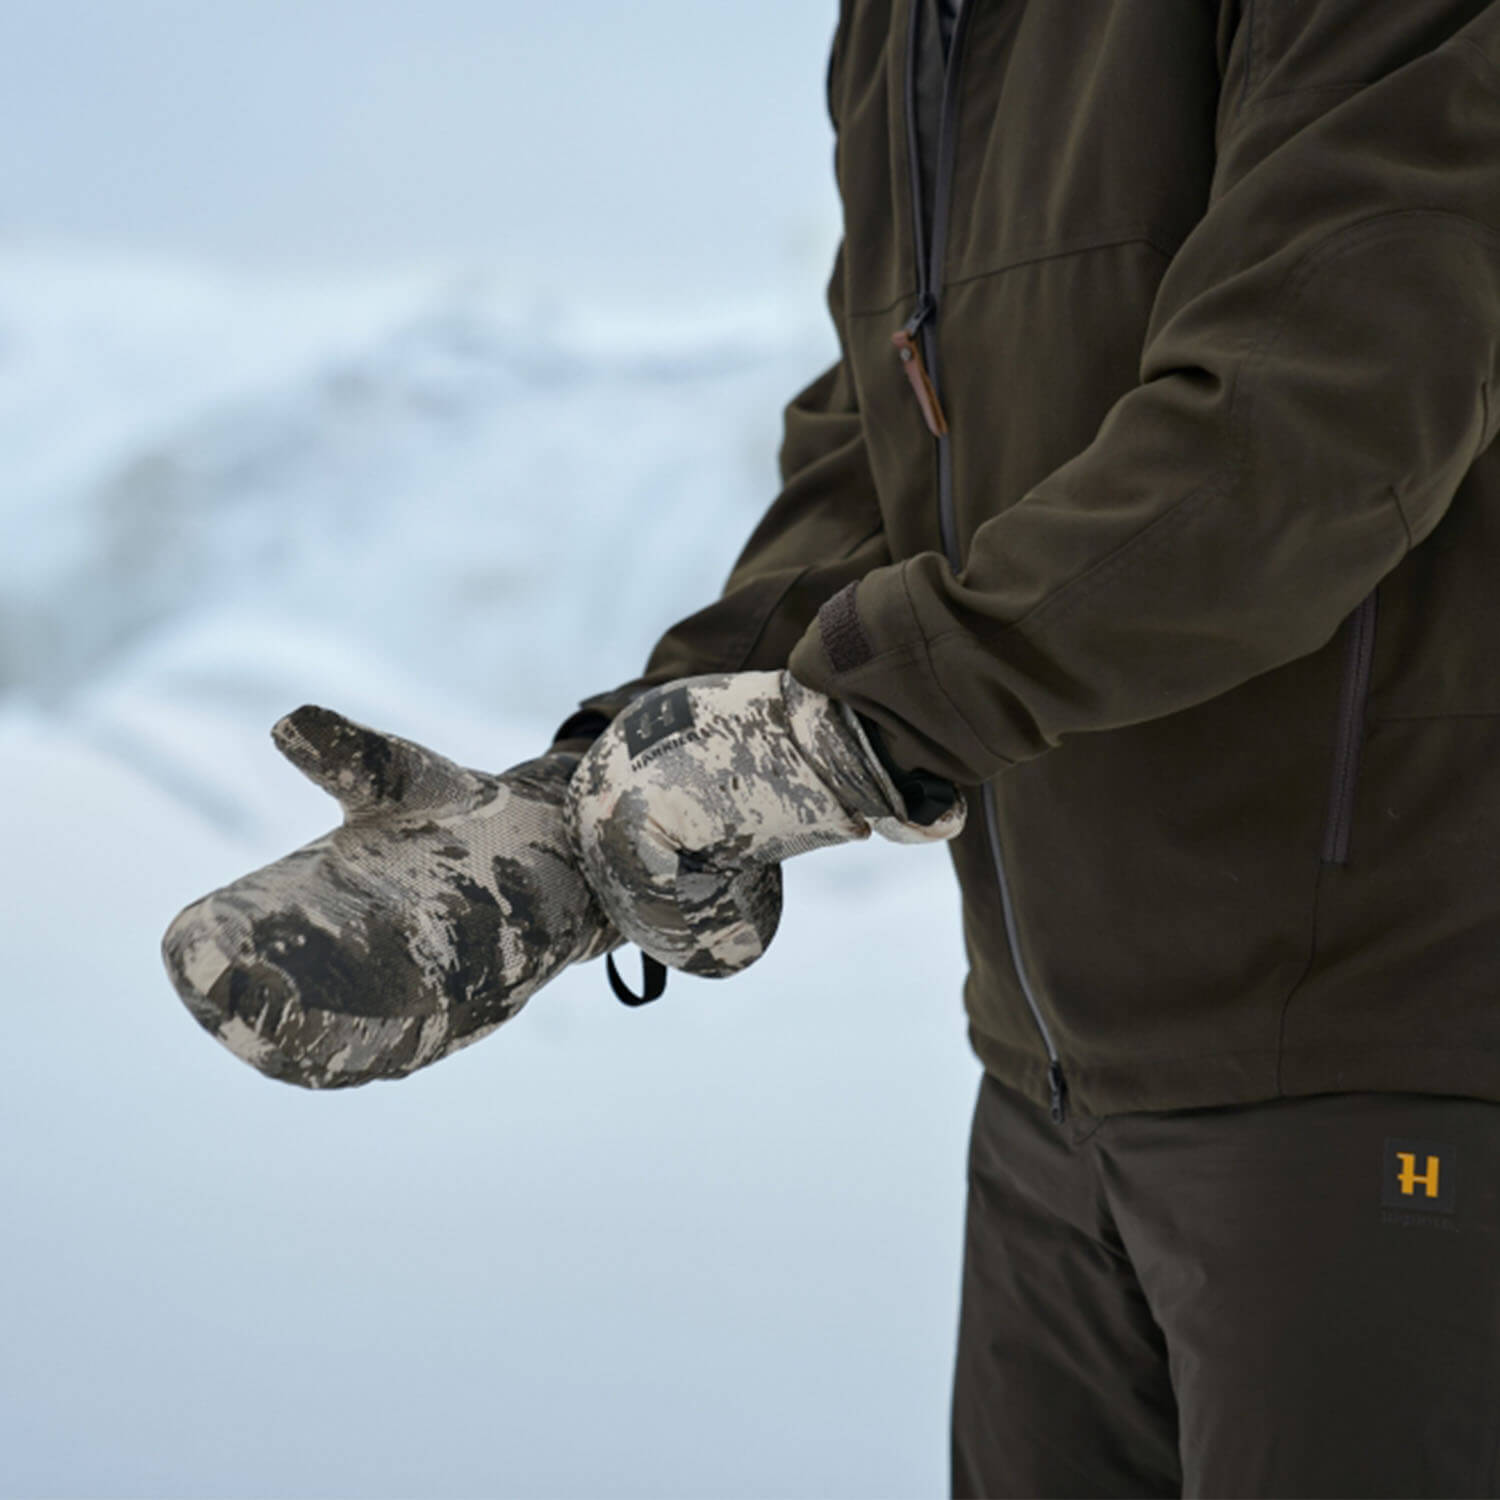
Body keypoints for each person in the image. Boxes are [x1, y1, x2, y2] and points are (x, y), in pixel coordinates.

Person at [162, 0, 1500, 1492]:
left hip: (1376, 1069)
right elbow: (888, 457)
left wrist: (846, 732)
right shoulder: (909, 26)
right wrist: (597, 798)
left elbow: (1316, 421)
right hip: (1053, 1092)